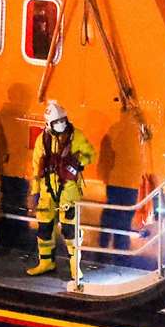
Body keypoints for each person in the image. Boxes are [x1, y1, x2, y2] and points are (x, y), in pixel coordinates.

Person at [27, 100, 96, 275]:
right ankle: (46, 262)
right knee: (44, 229)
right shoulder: (42, 140)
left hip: (68, 191)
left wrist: (76, 164)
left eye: (63, 120)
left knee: (70, 230)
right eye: (57, 122)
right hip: (46, 192)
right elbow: (36, 167)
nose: (61, 124)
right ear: (49, 123)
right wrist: (35, 192)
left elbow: (90, 154)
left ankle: (75, 268)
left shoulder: (76, 136)